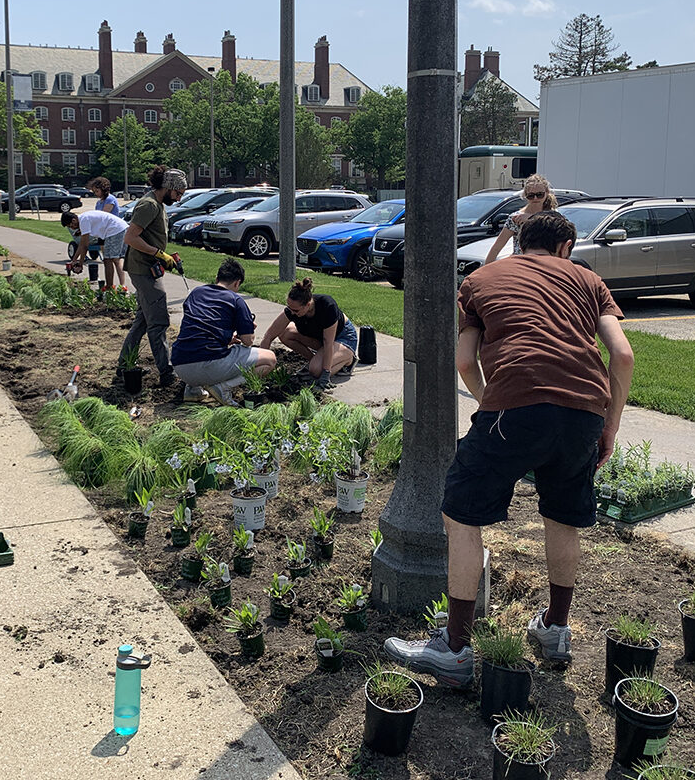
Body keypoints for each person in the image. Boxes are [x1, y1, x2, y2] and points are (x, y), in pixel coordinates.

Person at [381, 212, 634, 684]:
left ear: (520, 243)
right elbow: (621, 354)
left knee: (461, 514)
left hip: (512, 405)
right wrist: (610, 425)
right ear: (565, 247)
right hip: (583, 411)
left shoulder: (481, 278)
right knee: (562, 517)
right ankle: (556, 628)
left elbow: (464, 359)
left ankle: (454, 648)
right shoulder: (588, 280)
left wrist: (491, 403)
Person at [171, 258, 277, 406]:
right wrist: (246, 329)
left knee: (204, 346)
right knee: (270, 359)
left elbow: (200, 328)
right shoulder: (236, 300)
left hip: (180, 365)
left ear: (217, 278)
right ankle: (222, 388)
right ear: (237, 283)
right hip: (207, 365)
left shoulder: (196, 293)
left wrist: (227, 338)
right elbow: (248, 341)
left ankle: (193, 391)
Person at [117, 166, 188, 386]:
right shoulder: (148, 205)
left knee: (142, 321)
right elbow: (130, 238)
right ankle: (166, 373)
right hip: (143, 270)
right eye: (177, 194)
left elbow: (150, 236)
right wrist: (158, 253)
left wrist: (166, 255)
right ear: (168, 187)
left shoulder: (158, 204)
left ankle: (124, 366)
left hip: (148, 267)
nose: (178, 199)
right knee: (158, 321)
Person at [259, 277, 357, 388]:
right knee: (285, 333)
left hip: (343, 338)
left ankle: (348, 359)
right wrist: (262, 361)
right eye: (289, 307)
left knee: (315, 371)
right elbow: (269, 336)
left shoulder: (327, 306)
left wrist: (325, 374)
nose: (291, 312)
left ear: (308, 305)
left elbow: (328, 342)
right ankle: (315, 361)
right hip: (321, 338)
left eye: (295, 310)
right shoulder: (293, 310)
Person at [485, 174, 559, 265]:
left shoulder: (554, 216)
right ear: (525, 195)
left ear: (547, 192)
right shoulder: (516, 218)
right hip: (520, 265)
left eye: (540, 194)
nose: (535, 198)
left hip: (545, 265)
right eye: (531, 195)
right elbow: (497, 247)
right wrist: (484, 271)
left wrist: (531, 219)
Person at [61, 208, 130, 287]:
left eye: (71, 226)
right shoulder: (84, 218)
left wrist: (80, 264)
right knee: (116, 259)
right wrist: (74, 260)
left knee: (108, 260)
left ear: (73, 220)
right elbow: (81, 244)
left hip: (115, 230)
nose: (72, 228)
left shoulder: (84, 221)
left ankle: (110, 287)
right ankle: (122, 286)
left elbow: (84, 246)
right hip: (121, 228)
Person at [90, 176, 126, 290]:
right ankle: (110, 284)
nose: (96, 193)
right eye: (94, 191)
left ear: (103, 189)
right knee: (106, 259)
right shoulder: (98, 202)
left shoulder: (110, 199)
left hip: (114, 231)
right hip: (104, 233)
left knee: (115, 259)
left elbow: (103, 216)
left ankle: (122, 285)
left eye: (97, 191)